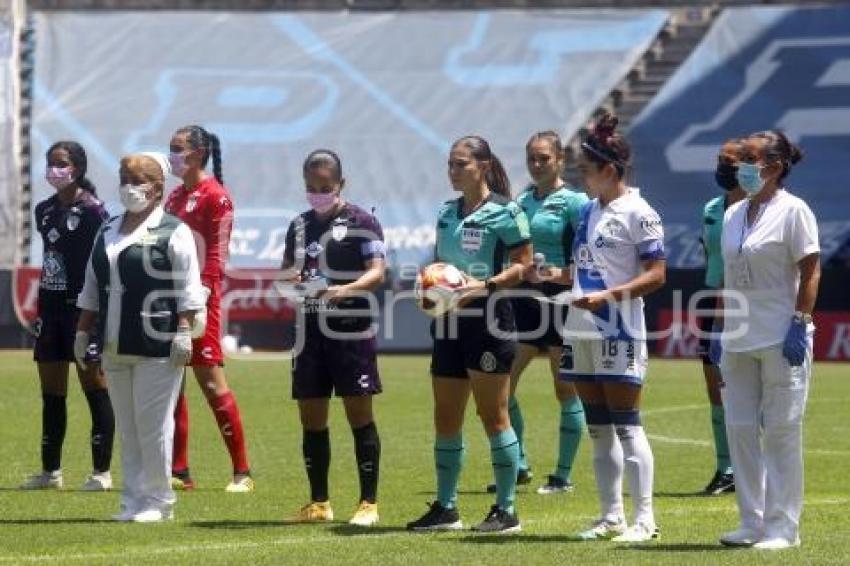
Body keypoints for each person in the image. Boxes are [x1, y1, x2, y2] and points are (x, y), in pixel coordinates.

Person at [406, 136, 531, 533]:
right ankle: (446, 509)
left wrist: (484, 285)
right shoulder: (446, 212)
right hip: (448, 323)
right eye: (450, 164)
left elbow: (524, 265)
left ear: (482, 165)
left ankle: (506, 511)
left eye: (461, 164)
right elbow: (443, 267)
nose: (453, 170)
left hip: (490, 322)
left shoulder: (506, 211)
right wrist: (428, 288)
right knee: (446, 416)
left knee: (492, 415)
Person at [76, 152, 206, 522]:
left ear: (157, 187)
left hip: (157, 342)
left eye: (137, 180)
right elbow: (91, 283)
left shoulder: (173, 230)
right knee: (129, 426)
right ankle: (132, 500)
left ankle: (159, 501)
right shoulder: (108, 228)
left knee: (154, 425)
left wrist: (184, 331)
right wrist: (83, 331)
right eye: (124, 178)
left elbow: (188, 288)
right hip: (115, 342)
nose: (129, 187)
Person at [560, 114, 666, 543]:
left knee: (627, 424)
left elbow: (657, 274)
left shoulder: (640, 213)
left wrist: (607, 297)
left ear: (609, 169)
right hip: (579, 326)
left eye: (585, 170)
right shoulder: (588, 211)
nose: (581, 178)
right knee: (598, 427)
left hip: (617, 327)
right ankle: (611, 516)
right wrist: (553, 276)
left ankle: (645, 520)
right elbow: (582, 269)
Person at [715, 131, 819, 550]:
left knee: (780, 431)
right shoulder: (732, 213)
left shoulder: (795, 211)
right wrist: (721, 329)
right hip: (738, 337)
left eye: (749, 159)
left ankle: (781, 528)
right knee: (740, 429)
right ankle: (751, 521)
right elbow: (728, 277)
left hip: (780, 336)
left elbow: (811, 269)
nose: (739, 166)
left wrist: (800, 321)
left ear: (773, 167)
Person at [279, 149, 386, 527]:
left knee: (359, 415)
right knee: (311, 417)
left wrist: (345, 289)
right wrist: (291, 284)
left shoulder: (362, 221)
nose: (317, 193)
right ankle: (319, 502)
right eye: (311, 187)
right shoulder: (299, 225)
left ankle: (368, 503)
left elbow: (377, 272)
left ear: (341, 184)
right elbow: (286, 275)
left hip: (350, 330)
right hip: (309, 333)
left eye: (325, 187)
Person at [487, 131, 588, 495]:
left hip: (562, 304)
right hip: (524, 303)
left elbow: (591, 262)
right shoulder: (522, 201)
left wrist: (558, 274)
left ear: (560, 160)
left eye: (544, 158)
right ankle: (520, 464)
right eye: (531, 157)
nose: (536, 164)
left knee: (565, 389)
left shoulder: (576, 202)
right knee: (503, 388)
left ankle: (562, 476)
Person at [21, 141, 115, 491]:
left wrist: (98, 311)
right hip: (50, 310)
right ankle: (51, 473)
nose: (53, 169)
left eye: (61, 163)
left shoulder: (94, 211)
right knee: (51, 392)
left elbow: (104, 263)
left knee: (94, 386)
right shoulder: (44, 209)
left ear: (77, 167)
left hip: (83, 311)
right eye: (50, 163)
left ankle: (101, 472)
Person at [164, 125, 252, 492]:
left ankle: (242, 472)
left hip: (201, 301)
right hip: (167, 300)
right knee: (172, 384)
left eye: (178, 148)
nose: (172, 155)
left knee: (212, 384)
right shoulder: (172, 198)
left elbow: (218, 251)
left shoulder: (217, 197)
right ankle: (180, 471)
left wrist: (201, 294)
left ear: (198, 153)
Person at [696, 139, 746, 495]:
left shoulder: (758, 210)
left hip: (748, 307)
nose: (722, 169)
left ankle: (752, 467)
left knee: (749, 390)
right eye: (720, 162)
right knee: (716, 388)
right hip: (714, 304)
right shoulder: (712, 208)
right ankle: (725, 468)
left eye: (729, 163)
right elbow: (707, 252)